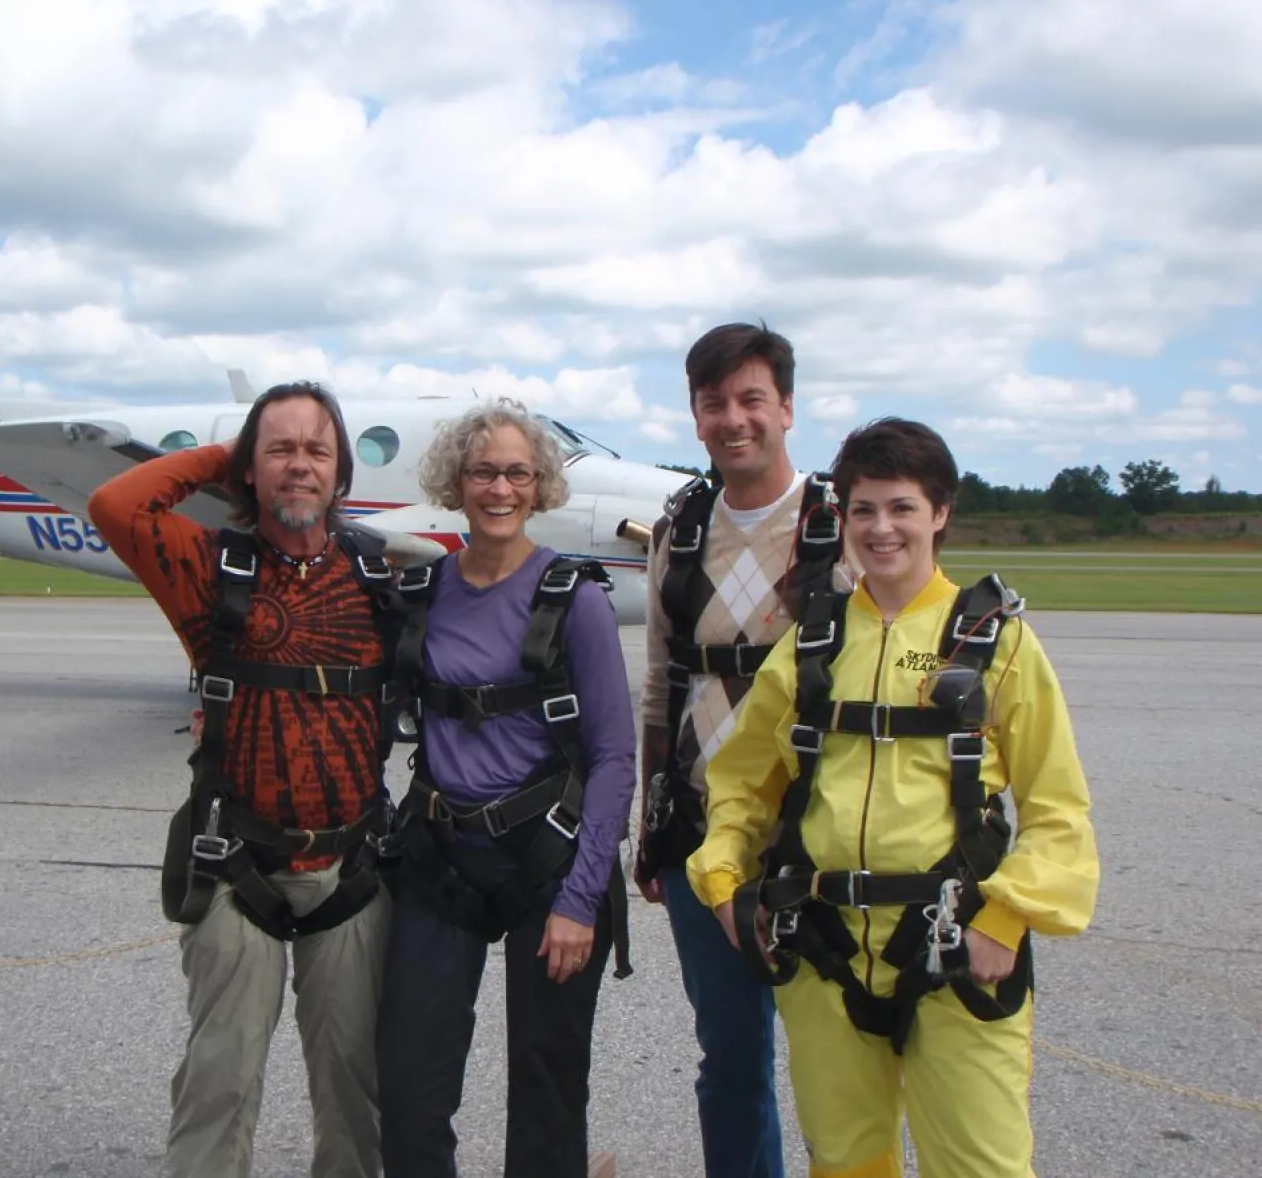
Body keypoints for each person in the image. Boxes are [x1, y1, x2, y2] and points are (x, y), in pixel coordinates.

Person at [686, 417, 1100, 1178]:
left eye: (902, 507)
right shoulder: (814, 642)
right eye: (864, 509)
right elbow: (740, 783)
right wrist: (724, 883)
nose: (882, 529)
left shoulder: (996, 643)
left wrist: (1006, 921)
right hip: (827, 949)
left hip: (957, 950)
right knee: (845, 1162)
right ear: (840, 518)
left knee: (981, 1166)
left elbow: (1057, 807)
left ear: (940, 513)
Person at [87, 381, 397, 1178]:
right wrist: (220, 457)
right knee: (218, 1085)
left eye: (317, 452)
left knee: (357, 1092)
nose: (300, 467)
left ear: (342, 474)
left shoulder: (381, 577)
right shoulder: (207, 569)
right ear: (248, 472)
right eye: (280, 450)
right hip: (237, 866)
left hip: (350, 870)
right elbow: (116, 505)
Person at [374, 398, 635, 1178]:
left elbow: (615, 756)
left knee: (549, 1085)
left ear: (540, 485)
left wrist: (579, 900)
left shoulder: (575, 600)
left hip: (547, 862)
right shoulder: (418, 595)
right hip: (440, 857)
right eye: (483, 471)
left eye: (518, 472)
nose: (500, 488)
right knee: (410, 1086)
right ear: (457, 481)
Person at [633, 322, 847, 1178]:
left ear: (786, 408)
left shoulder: (842, 526)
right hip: (701, 831)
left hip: (820, 833)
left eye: (752, 398)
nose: (734, 418)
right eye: (713, 402)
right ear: (695, 416)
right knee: (731, 1062)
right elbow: (660, 687)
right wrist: (650, 828)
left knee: (845, 1062)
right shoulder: (678, 530)